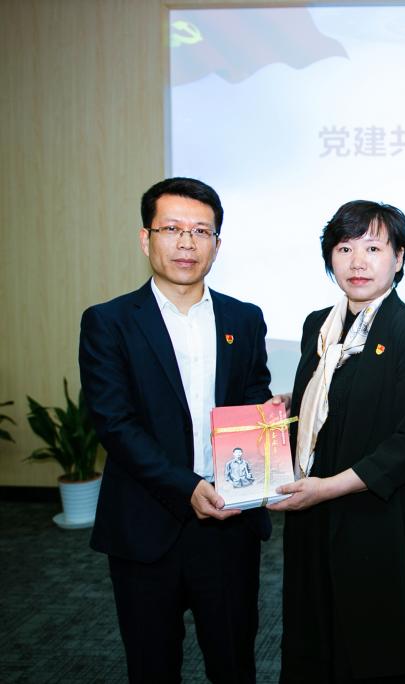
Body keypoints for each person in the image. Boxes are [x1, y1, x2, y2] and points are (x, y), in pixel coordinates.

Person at [79, 177, 272, 683]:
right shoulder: (108, 322)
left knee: (234, 663)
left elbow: (252, 394)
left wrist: (267, 415)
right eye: (172, 229)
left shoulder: (244, 319)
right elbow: (114, 423)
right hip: (145, 523)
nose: (187, 243)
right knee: (152, 666)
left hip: (228, 522)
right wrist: (186, 486)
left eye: (201, 231)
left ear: (217, 245)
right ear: (146, 239)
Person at [268, 201, 405, 682]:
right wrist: (289, 405)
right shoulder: (318, 325)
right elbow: (334, 401)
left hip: (383, 520)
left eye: (373, 248)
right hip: (314, 512)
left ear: (399, 257)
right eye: (344, 248)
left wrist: (328, 488)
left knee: (381, 644)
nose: (357, 262)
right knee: (316, 633)